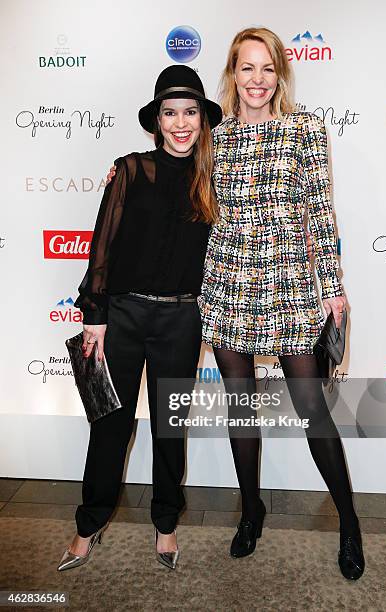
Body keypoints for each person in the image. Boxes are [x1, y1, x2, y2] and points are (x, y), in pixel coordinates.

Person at [197, 28, 365, 580]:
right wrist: (121, 174)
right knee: (241, 409)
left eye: (267, 69)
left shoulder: (305, 130)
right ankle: (251, 511)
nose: (257, 80)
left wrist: (333, 289)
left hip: (290, 283)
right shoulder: (213, 138)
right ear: (232, 74)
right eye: (247, 68)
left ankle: (348, 521)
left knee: (312, 408)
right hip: (229, 283)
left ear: (280, 75)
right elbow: (179, 188)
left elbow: (320, 215)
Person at [57, 65, 222, 572]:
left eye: (190, 112)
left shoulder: (216, 177)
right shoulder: (129, 169)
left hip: (180, 321)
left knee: (170, 428)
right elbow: (101, 247)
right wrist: (94, 314)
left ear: (202, 120)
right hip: (122, 317)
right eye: (170, 112)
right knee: (110, 425)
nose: (180, 122)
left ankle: (167, 524)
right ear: (156, 121)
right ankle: (89, 526)